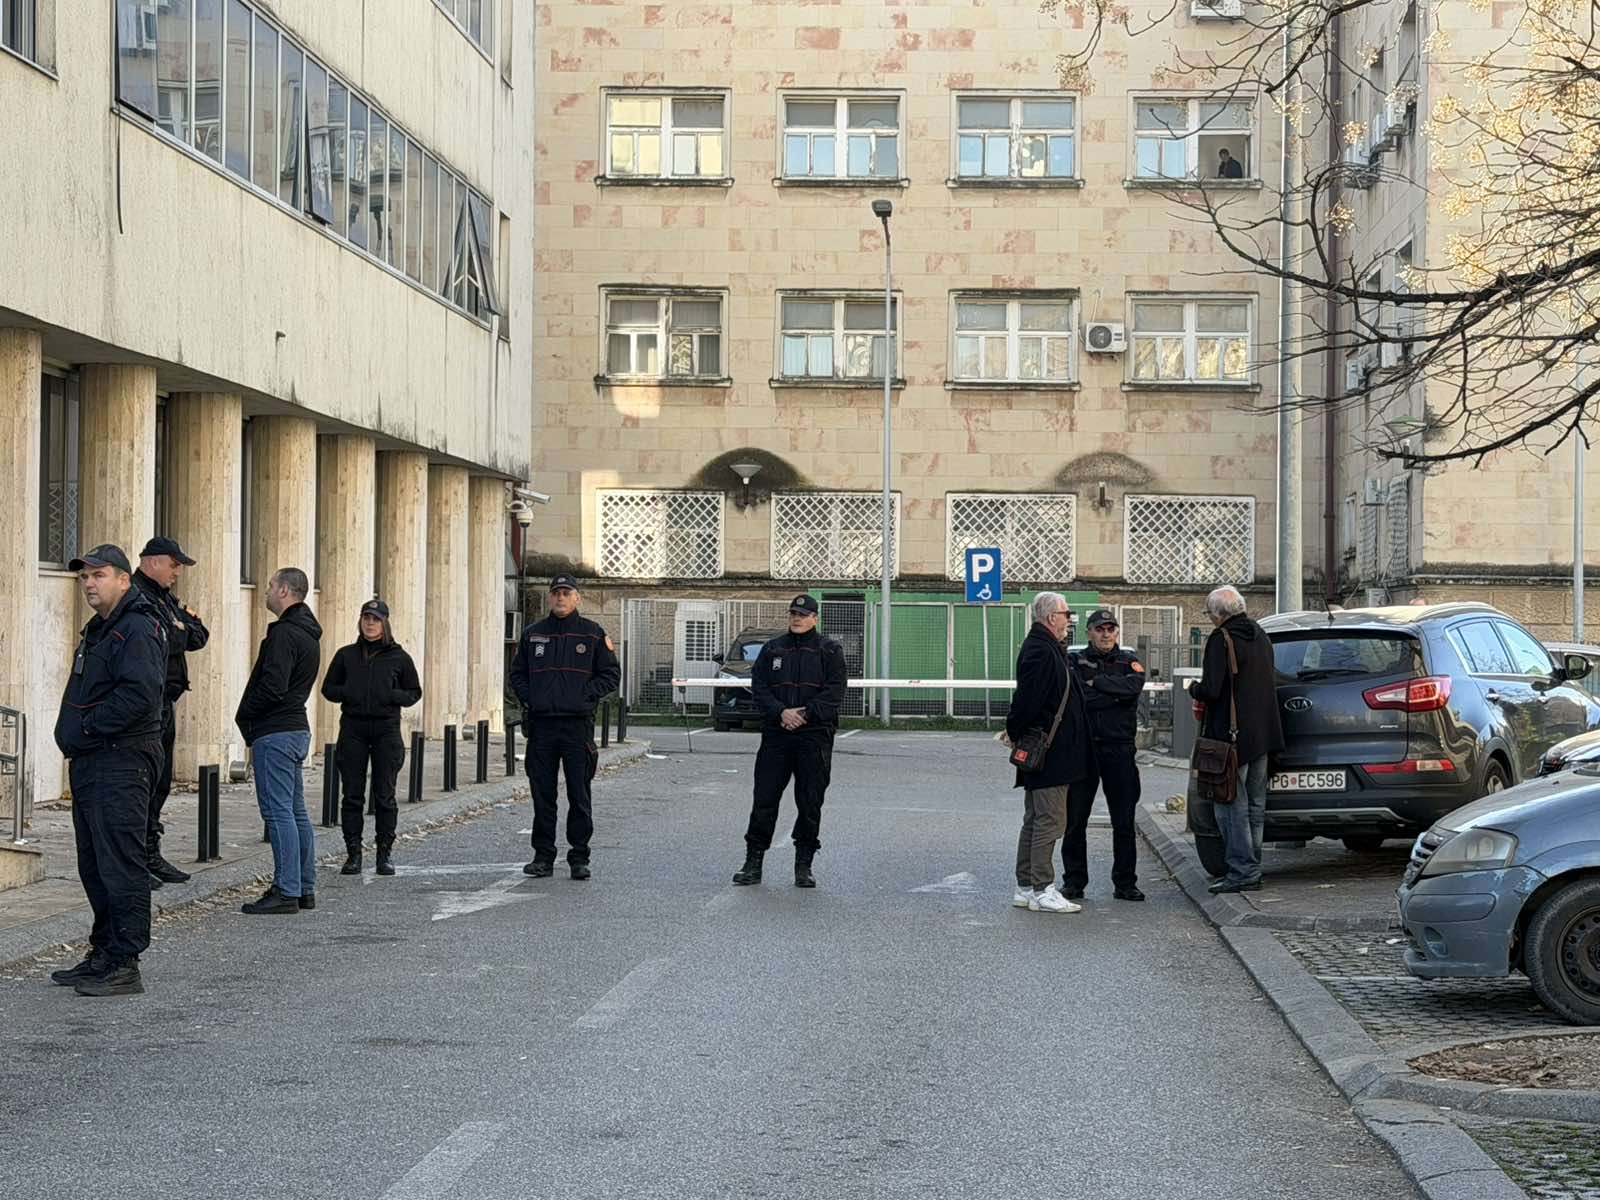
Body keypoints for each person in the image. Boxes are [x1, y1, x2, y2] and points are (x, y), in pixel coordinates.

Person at [50, 544, 167, 997]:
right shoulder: (103, 629)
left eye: (99, 575)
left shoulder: (136, 627)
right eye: (84, 578)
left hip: (121, 759)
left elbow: (140, 696)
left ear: (124, 579)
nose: (90, 584)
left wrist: (88, 728)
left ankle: (125, 962)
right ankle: (104, 951)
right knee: (95, 864)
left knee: (121, 863)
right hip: (95, 760)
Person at [732, 593, 848, 889]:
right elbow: (759, 688)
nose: (797, 618)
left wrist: (805, 714)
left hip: (813, 736)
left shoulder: (830, 651)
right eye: (793, 614)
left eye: (803, 614)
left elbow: (834, 693)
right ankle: (753, 861)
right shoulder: (773, 649)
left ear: (815, 618)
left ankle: (804, 864)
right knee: (764, 800)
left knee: (810, 802)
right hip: (777, 734)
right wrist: (781, 712)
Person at [510, 575, 620, 880]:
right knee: (542, 794)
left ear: (577, 598)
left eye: (566, 593)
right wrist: (532, 697)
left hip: (576, 727)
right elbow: (517, 673)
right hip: (543, 726)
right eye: (556, 593)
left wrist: (583, 695)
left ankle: (579, 857)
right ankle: (543, 856)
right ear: (550, 598)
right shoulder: (533, 635)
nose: (560, 598)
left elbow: (610, 675)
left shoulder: (592, 635)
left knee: (578, 794)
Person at [235, 568, 323, 914]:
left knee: (278, 812)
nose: (267, 591)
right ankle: (303, 887)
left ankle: (286, 890)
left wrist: (248, 714)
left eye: (271, 586)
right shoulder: (307, 632)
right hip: (295, 727)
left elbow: (273, 686)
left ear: (286, 591)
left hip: (276, 730)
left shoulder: (286, 634)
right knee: (296, 811)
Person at [1187, 585, 1285, 894]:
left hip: (1231, 738)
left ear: (1218, 614)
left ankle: (1241, 870)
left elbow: (1213, 689)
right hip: (1264, 734)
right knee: (1256, 804)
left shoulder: (1221, 639)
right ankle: (1252, 865)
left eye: (1209, 614)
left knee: (1229, 805)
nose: (1210, 619)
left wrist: (1193, 688)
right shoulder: (1259, 634)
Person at [320, 599, 421, 877]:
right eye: (366, 617)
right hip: (353, 728)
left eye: (375, 619)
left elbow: (414, 692)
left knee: (384, 794)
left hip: (386, 729)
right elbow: (328, 688)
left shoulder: (399, 658)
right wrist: (349, 691)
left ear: (385, 623)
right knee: (352, 794)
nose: (370, 623)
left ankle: (384, 854)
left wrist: (391, 695)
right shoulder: (346, 655)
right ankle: (353, 853)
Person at [131, 536, 209, 890]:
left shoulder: (163, 597)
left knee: (160, 783)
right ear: (154, 562)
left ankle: (150, 852)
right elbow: (164, 639)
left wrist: (179, 628)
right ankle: (134, 861)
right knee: (140, 784)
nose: (178, 572)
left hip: (166, 702)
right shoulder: (137, 595)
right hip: (145, 706)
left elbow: (198, 635)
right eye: (174, 564)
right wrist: (176, 630)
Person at [1006, 593, 1090, 913]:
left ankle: (1026, 886)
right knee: (1050, 821)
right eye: (1066, 613)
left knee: (1036, 818)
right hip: (1051, 753)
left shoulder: (1047, 647)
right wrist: (1015, 732)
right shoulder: (1041, 650)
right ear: (1050, 616)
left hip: (1051, 750)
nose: (1069, 620)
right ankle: (1042, 887)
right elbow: (1027, 701)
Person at [1065, 609, 1147, 902]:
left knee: (1123, 820)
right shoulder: (1074, 660)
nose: (1106, 634)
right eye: (1100, 629)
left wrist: (1096, 684)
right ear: (1089, 632)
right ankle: (1074, 882)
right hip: (1084, 750)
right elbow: (1077, 696)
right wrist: (1113, 695)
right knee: (1075, 819)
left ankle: (1125, 883)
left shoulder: (1129, 661)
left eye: (1111, 628)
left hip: (1119, 749)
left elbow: (1132, 689)